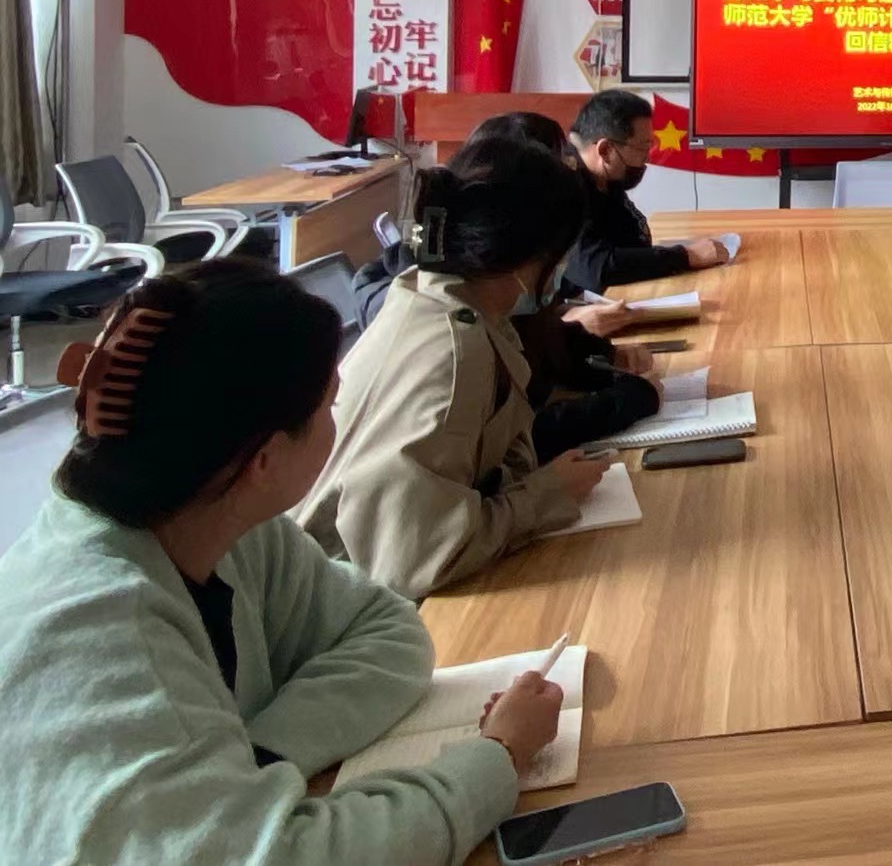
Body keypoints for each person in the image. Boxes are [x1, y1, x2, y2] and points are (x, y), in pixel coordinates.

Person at [0, 260, 564, 862]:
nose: (338, 426)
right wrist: (498, 756)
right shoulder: (110, 639)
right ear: (265, 460)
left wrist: (258, 758)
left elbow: (389, 630)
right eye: (330, 407)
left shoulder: (217, 516)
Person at [295, 138, 613, 599]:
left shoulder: (432, 294)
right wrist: (546, 497)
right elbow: (417, 557)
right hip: (343, 603)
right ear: (530, 258)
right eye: (563, 253)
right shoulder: (455, 353)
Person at [354, 113, 664, 460]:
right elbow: (508, 444)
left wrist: (605, 358)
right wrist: (622, 403)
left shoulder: (477, 299)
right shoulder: (455, 341)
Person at [563, 89, 732, 293]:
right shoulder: (564, 186)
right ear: (605, 150)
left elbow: (632, 240)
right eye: (642, 148)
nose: (647, 157)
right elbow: (595, 268)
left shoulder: (606, 178)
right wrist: (686, 256)